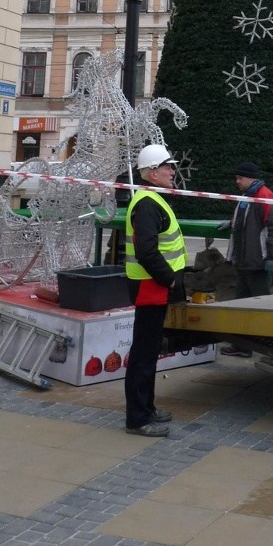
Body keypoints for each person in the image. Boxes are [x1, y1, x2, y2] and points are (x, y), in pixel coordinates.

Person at [123, 144, 188, 436]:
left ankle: (146, 409)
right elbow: (147, 251)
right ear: (152, 172)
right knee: (144, 354)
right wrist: (169, 279)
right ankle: (138, 419)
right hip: (152, 287)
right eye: (167, 167)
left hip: (153, 287)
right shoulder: (148, 203)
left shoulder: (151, 199)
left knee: (148, 353)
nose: (172, 171)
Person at [219, 161, 273, 357]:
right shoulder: (249, 197)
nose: (236, 181)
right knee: (243, 305)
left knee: (260, 306)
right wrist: (230, 223)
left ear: (250, 178)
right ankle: (244, 346)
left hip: (257, 263)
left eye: (239, 178)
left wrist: (272, 256)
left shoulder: (263, 196)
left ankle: (268, 346)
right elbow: (248, 222)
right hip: (247, 262)